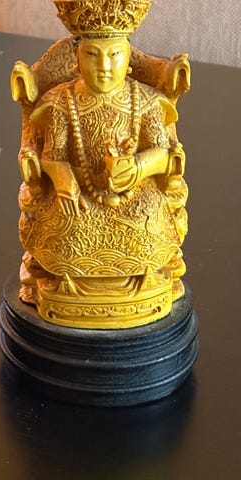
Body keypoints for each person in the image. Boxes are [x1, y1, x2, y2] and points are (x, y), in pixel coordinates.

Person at [13, 0, 189, 328]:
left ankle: (144, 273)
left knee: (150, 215)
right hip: (79, 192)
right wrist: (63, 180)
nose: (104, 66)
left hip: (133, 194)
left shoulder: (146, 101)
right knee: (64, 221)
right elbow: (53, 155)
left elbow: (163, 152)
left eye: (115, 55)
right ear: (77, 60)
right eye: (93, 55)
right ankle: (66, 278)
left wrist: (137, 168)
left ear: (129, 59)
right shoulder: (62, 102)